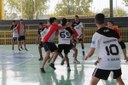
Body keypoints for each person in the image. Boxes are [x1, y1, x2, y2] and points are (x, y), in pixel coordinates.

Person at [84, 13, 128, 85]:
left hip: (105, 63)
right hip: (116, 62)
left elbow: (92, 52)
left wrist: (86, 56)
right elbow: (122, 44)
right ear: (104, 21)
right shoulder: (114, 32)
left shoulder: (96, 35)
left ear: (95, 22)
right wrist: (125, 56)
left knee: (92, 83)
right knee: (119, 79)